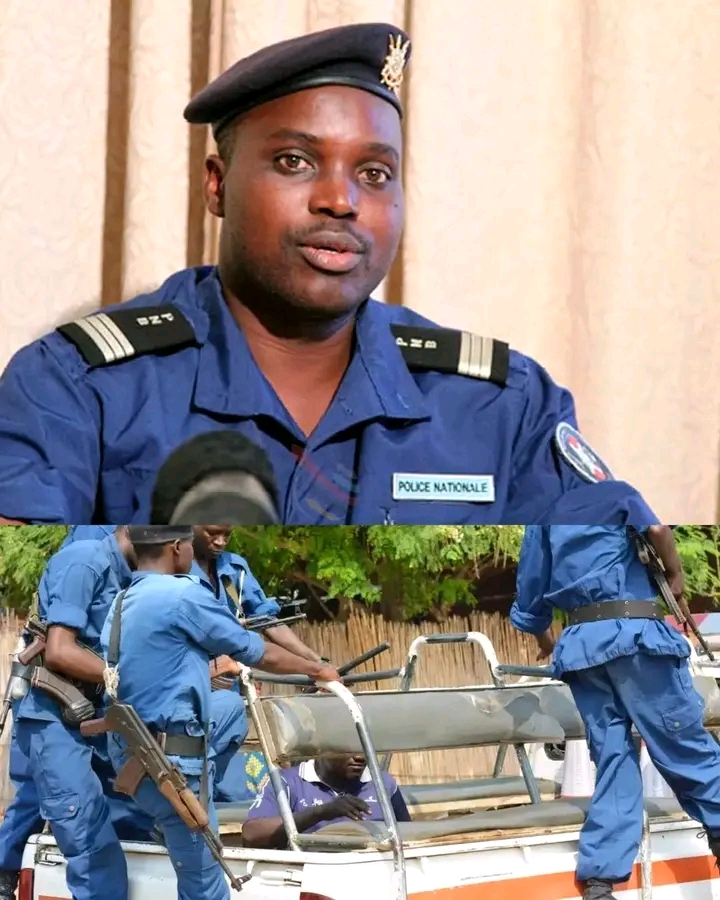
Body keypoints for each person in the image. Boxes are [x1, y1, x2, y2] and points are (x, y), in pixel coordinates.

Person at [0, 24, 656, 526]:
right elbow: (21, 607)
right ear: (217, 185)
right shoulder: (76, 387)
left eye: (375, 173)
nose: (341, 200)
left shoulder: (499, 406)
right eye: (295, 161)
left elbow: (625, 575)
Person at [101, 525, 341, 900]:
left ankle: (185, 806)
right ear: (176, 547)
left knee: (229, 707)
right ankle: (185, 812)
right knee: (207, 886)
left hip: (129, 750)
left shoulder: (121, 601)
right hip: (170, 765)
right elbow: (256, 651)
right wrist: (317, 669)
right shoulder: (182, 595)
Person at [509, 525, 720, 900]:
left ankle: (600, 880)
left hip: (582, 647)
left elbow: (532, 583)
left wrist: (545, 637)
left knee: (613, 757)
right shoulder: (616, 493)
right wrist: (675, 574)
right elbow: (657, 528)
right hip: (635, 636)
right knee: (682, 746)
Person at [9, 527, 153, 900]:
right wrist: (125, 676)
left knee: (135, 820)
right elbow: (60, 651)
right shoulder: (85, 560)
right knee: (85, 828)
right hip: (53, 711)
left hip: (98, 714)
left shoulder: (136, 578)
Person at [192, 525, 324, 803]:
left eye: (227, 535)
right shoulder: (173, 574)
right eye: (212, 533)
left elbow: (267, 622)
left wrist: (315, 662)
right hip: (189, 690)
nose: (221, 541)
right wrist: (214, 667)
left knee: (226, 778)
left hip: (230, 693)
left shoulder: (235, 570)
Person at [242, 752, 410, 849]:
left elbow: (410, 836)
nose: (359, 756)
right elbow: (251, 835)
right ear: (322, 748)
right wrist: (321, 812)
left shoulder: (383, 783)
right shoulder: (286, 782)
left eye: (362, 745)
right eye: (347, 747)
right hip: (308, 878)